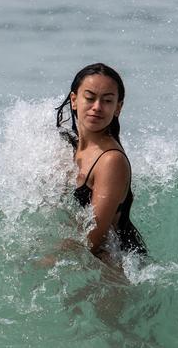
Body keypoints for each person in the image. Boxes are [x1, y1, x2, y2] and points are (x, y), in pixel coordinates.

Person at [55, 63, 147, 261]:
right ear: (74, 100)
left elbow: (93, 239)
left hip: (112, 270)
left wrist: (49, 258)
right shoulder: (68, 146)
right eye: (89, 98)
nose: (97, 107)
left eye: (107, 101)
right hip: (89, 265)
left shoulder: (111, 161)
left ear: (118, 108)